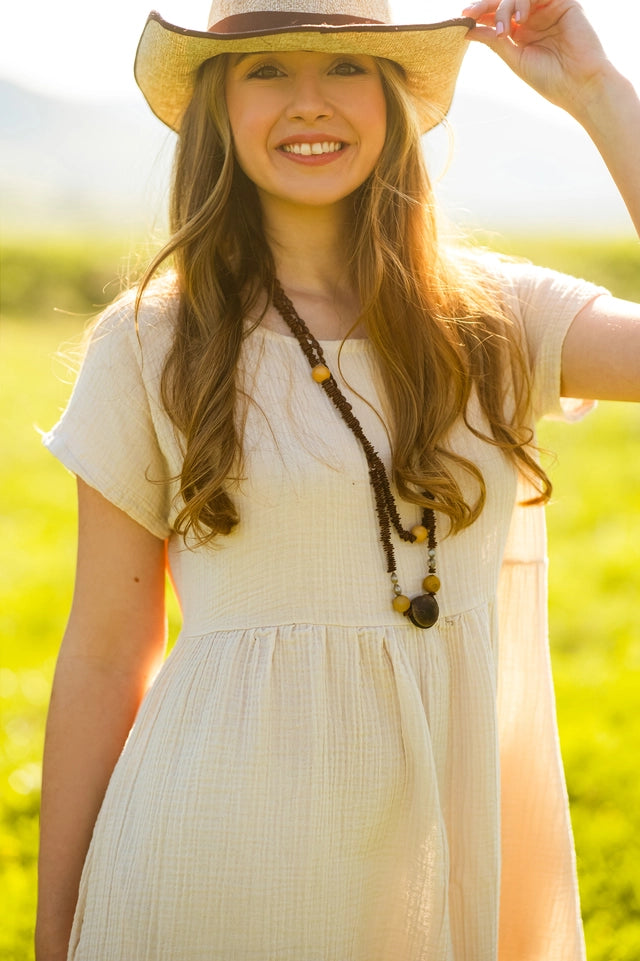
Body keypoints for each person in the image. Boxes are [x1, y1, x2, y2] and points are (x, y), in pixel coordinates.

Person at [35, 1, 640, 959]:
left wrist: (603, 98)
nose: (310, 102)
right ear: (217, 110)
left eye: (349, 67)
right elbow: (108, 652)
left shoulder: (496, 317)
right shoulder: (154, 339)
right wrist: (57, 927)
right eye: (268, 71)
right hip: (219, 856)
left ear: (395, 96)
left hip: (451, 854)